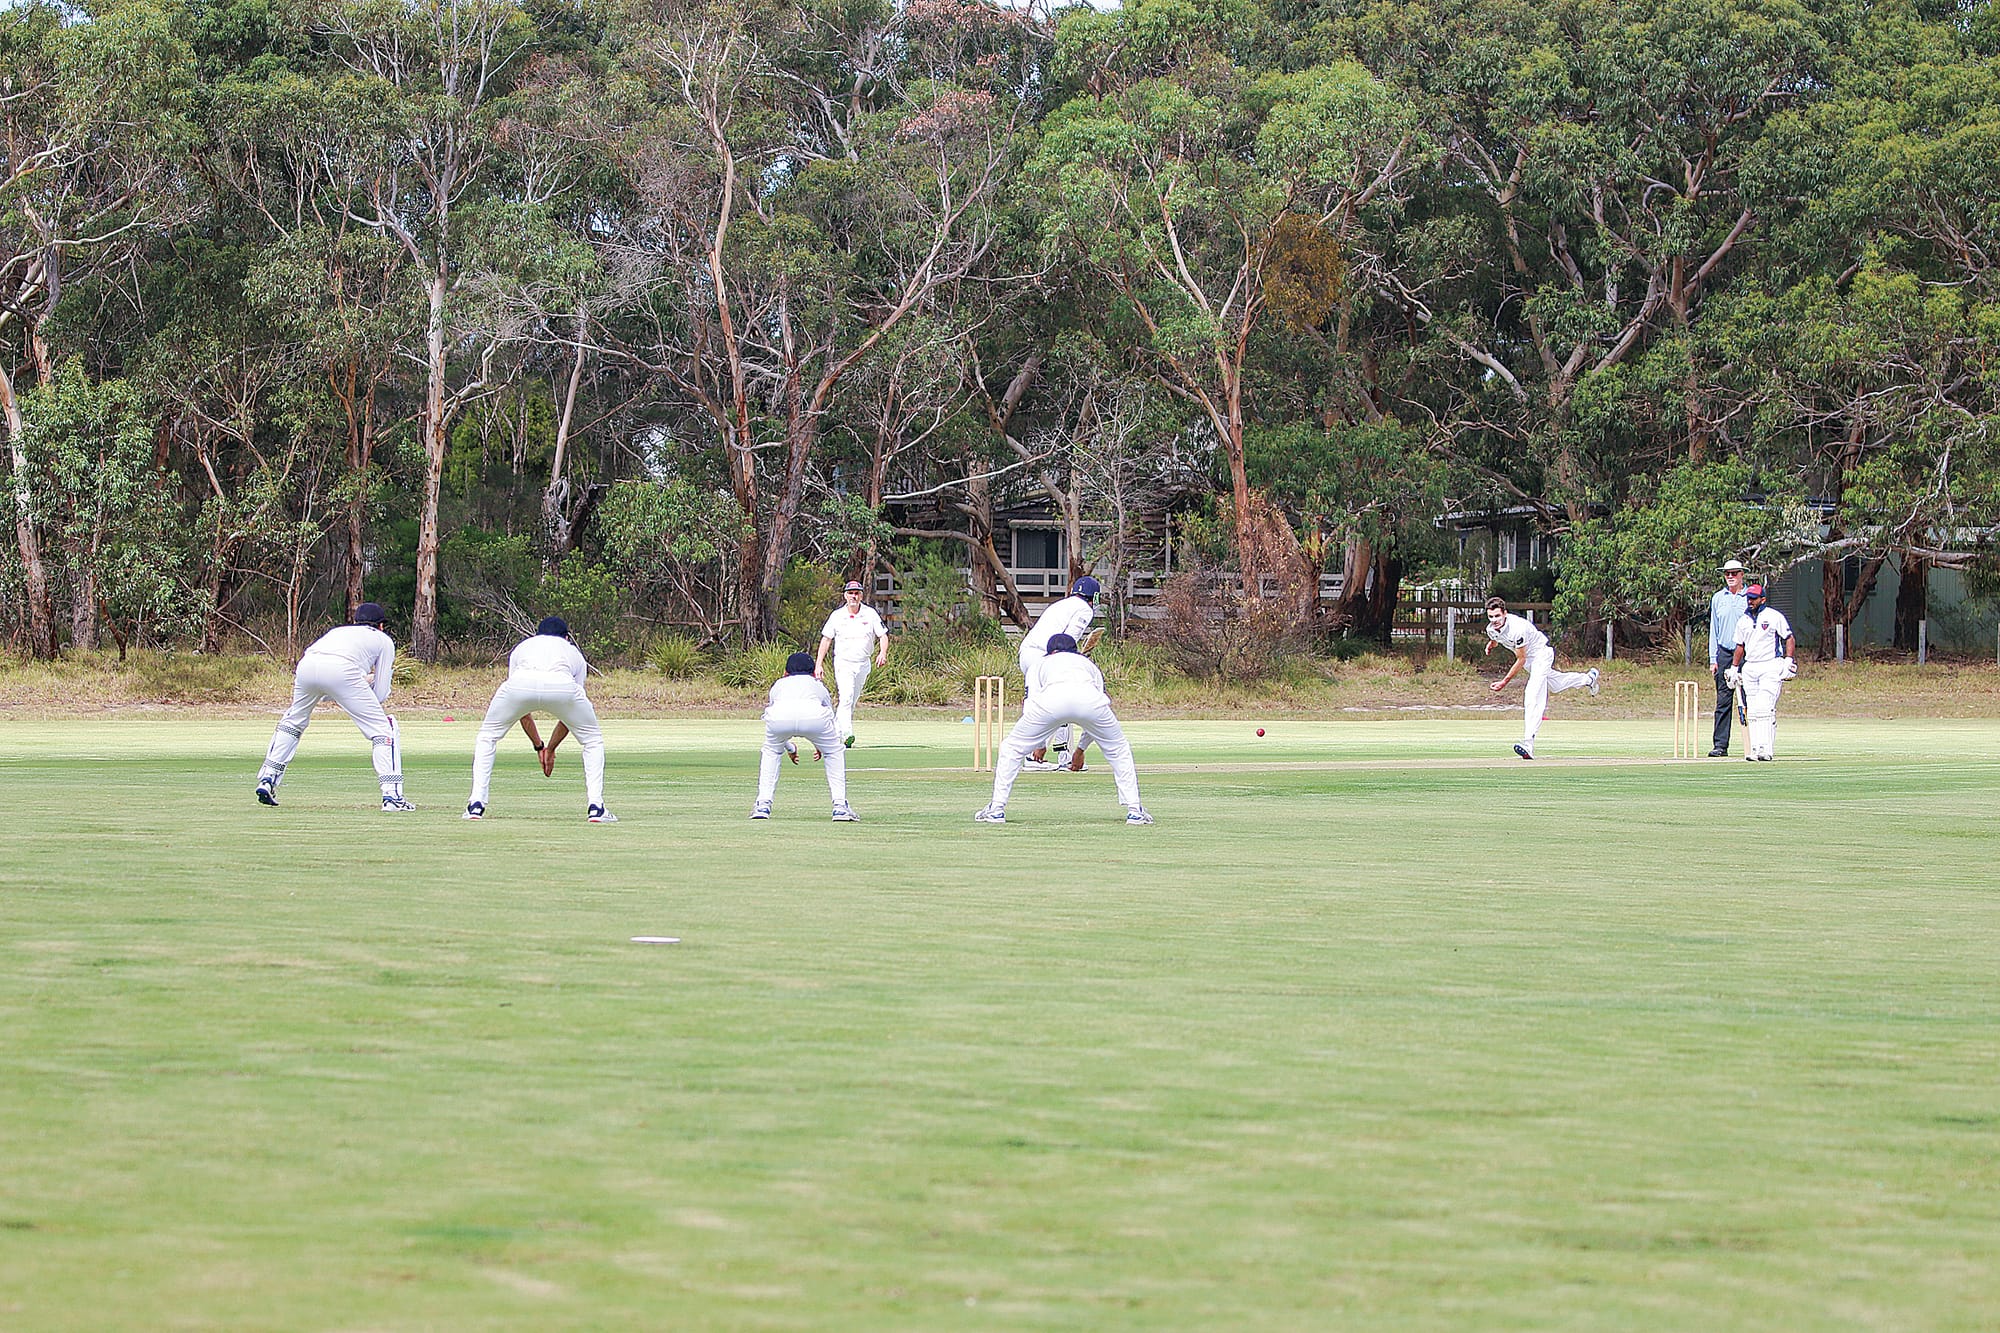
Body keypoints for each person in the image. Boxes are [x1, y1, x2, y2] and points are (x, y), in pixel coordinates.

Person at [975, 633, 1150, 825]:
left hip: (1050, 702)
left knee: (1011, 748)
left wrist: (1039, 744)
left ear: (1050, 652)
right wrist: (1081, 749)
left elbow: (1031, 704)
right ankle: (1135, 811)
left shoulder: (1039, 664)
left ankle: (996, 809)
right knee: (1119, 749)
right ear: (1074, 651)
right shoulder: (1089, 666)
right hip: (1091, 702)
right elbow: (1094, 709)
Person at [254, 602, 414, 811]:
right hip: (344, 671)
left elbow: (323, 691)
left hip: (307, 665)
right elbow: (381, 695)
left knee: (294, 720)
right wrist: (367, 683)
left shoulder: (337, 632)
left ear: (355, 622)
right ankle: (392, 797)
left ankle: (268, 777)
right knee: (384, 729)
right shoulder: (383, 640)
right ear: (381, 626)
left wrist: (356, 684)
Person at [464, 617, 615, 823]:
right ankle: (596, 807)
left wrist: (540, 746)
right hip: (561, 686)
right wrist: (550, 749)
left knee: (487, 737)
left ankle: (475, 805)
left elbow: (522, 711)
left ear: (537, 635)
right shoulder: (574, 654)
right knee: (592, 740)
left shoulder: (522, 647)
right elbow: (568, 718)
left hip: (519, 685)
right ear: (566, 637)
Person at [1483, 595, 1599, 759]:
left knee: (1532, 696)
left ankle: (1528, 744)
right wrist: (1491, 645)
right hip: (1531, 662)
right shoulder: (1491, 628)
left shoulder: (1518, 629)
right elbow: (1496, 637)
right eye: (1491, 617)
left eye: (1497, 616)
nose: (1494, 620)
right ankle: (1588, 679)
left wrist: (1504, 681)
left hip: (1541, 655)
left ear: (1505, 613)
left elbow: (1521, 659)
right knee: (1556, 685)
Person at [755, 652, 857, 821]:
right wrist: (821, 745)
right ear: (812, 673)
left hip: (779, 719)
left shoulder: (778, 685)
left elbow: (778, 727)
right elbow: (829, 717)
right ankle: (840, 807)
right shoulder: (817, 685)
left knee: (771, 751)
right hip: (816, 719)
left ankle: (763, 805)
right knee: (834, 752)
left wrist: (790, 747)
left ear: (786, 672)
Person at [1018, 575, 1099, 770]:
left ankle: (1055, 756)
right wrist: (1073, 659)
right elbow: (1067, 639)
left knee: (1045, 701)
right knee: (1062, 699)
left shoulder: (1060, 604)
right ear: (1093, 597)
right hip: (1045, 655)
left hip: (1027, 653)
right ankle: (1041, 755)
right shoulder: (1084, 610)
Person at [815, 580, 889, 748]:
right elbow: (826, 639)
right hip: (843, 662)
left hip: (863, 663)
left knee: (851, 701)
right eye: (851, 593)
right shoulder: (837, 616)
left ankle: (834, 731)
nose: (854, 596)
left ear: (861, 595)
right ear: (845, 595)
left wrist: (882, 653)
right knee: (846, 697)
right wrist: (818, 664)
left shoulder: (870, 614)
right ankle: (847, 733)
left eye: (857, 593)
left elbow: (883, 636)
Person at [1727, 584, 1797, 762]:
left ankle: (1766, 749)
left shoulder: (1773, 616)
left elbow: (1788, 638)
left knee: (1765, 707)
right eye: (1748, 598)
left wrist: (1788, 661)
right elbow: (1740, 646)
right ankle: (1755, 748)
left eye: (1754, 598)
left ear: (1763, 599)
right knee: (1753, 710)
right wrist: (1734, 668)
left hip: (1771, 665)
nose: (1750, 601)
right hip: (1750, 667)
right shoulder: (1743, 620)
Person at [1707, 559, 1750, 756]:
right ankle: (1720, 746)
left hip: (1747, 653)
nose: (1730, 577)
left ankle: (1755, 744)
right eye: (1727, 574)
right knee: (1723, 700)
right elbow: (1713, 630)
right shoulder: (1718, 598)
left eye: (1734, 573)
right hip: (1724, 653)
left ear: (1742, 574)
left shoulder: (1749, 597)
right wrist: (1713, 659)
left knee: (1750, 699)